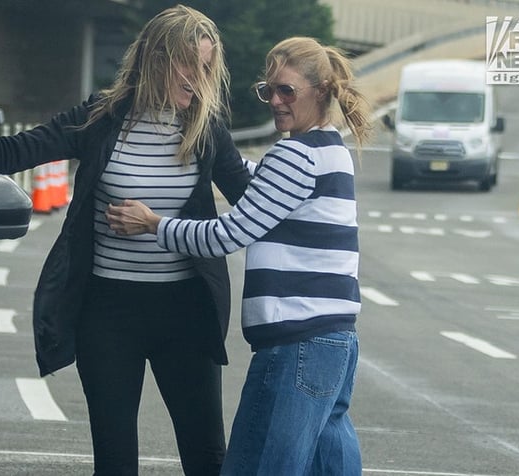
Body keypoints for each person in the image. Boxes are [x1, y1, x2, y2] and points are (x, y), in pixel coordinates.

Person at [0, 5, 251, 475]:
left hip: (185, 311)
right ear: (156, 59)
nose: (198, 79)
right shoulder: (102, 118)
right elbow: (18, 149)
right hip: (107, 313)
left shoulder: (206, 131)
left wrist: (307, 174)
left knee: (207, 456)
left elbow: (256, 208)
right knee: (114, 460)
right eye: (189, 64)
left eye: (207, 67)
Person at [106, 36, 373, 475]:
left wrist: (153, 224)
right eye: (269, 90)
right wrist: (207, 151)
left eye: (287, 90)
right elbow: (261, 182)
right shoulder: (332, 152)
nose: (276, 101)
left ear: (321, 90)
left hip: (295, 346)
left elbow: (228, 234)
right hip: (334, 343)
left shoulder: (296, 155)